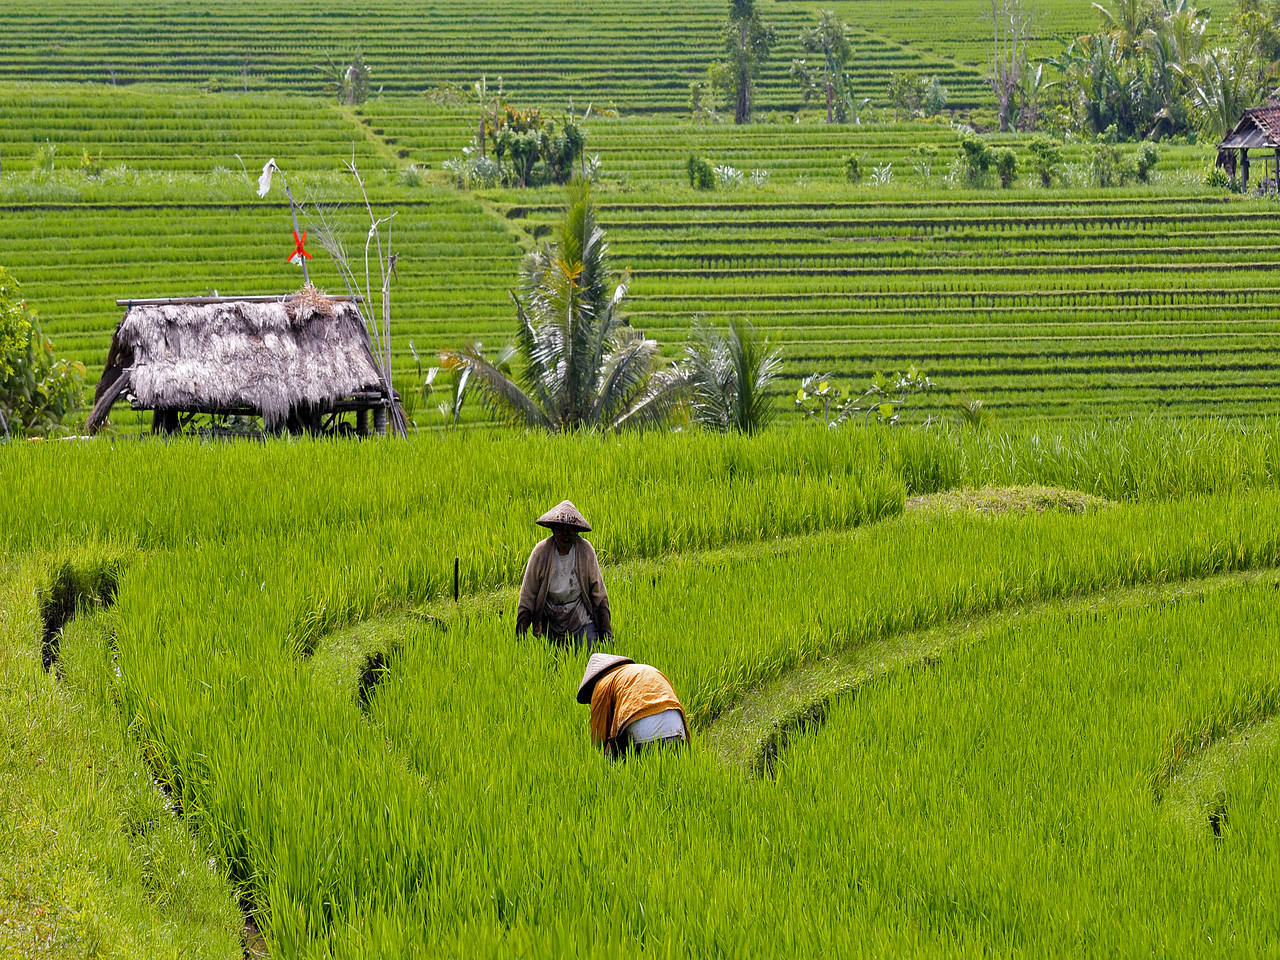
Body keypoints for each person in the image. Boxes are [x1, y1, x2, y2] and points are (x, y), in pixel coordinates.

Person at [516, 500, 611, 648]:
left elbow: (599, 594)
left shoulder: (585, 551)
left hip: (579, 617)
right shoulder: (541, 552)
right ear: (553, 530)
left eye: (570, 530)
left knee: (589, 652)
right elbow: (528, 595)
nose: (565, 535)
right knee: (554, 662)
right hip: (551, 619)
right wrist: (520, 637)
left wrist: (607, 633)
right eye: (561, 530)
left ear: (576, 531)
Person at [577, 653, 689, 758]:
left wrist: (602, 760)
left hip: (644, 729)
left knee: (638, 770)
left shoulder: (601, 683)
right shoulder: (641, 670)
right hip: (676, 724)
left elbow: (599, 737)